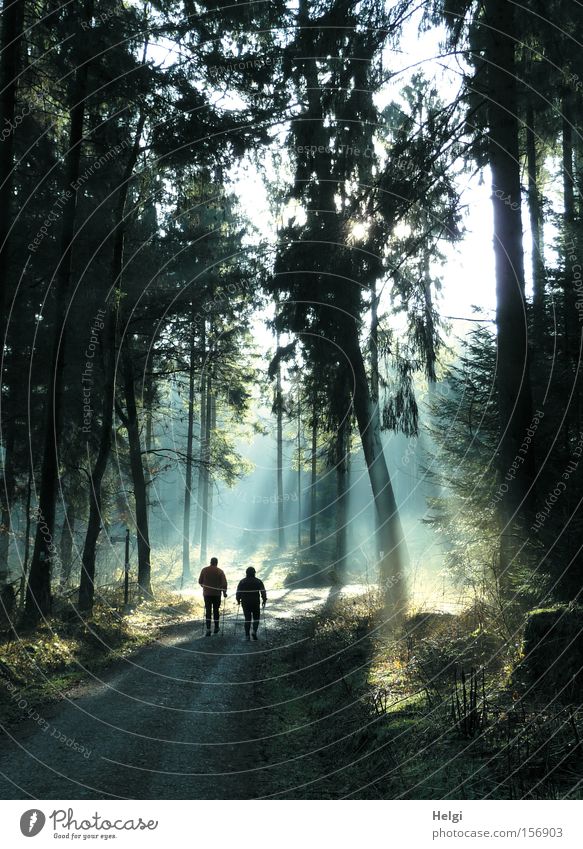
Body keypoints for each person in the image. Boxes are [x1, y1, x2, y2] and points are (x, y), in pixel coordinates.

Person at [236, 566, 267, 641]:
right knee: (256, 618)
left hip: (245, 603)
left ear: (246, 573)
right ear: (254, 573)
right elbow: (263, 591)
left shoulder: (242, 581)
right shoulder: (258, 581)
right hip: (255, 602)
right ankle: (254, 632)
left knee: (247, 619)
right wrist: (264, 600)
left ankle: (247, 635)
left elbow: (238, 592)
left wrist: (238, 600)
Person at [198, 556, 227, 636]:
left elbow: (200, 581)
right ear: (217, 563)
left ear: (210, 562)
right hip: (217, 594)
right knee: (216, 610)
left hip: (207, 594)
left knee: (208, 610)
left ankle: (208, 629)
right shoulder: (220, 571)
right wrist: (224, 593)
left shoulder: (204, 570)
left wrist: (205, 587)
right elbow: (224, 584)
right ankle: (216, 627)